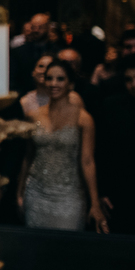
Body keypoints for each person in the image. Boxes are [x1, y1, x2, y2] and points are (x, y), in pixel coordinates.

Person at [18, 59, 107, 233]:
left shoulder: (84, 119)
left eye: (60, 79)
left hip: (69, 198)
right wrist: (19, 192)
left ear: (71, 84)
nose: (53, 83)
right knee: (35, 251)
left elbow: (88, 161)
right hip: (36, 194)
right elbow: (28, 156)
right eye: (49, 78)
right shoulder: (32, 116)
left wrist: (95, 203)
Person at [97, 53, 135, 235]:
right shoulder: (113, 108)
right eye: (129, 79)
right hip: (126, 199)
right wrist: (101, 192)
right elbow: (102, 153)